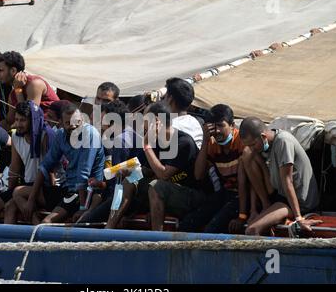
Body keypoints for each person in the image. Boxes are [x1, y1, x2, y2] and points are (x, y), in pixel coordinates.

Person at [105, 102, 203, 230]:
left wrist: (147, 146)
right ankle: (109, 228)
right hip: (163, 191)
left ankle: (157, 237)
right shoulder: (156, 140)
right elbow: (148, 171)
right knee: (130, 180)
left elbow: (163, 175)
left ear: (156, 121)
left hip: (189, 196)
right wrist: (130, 171)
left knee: (156, 186)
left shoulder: (184, 142)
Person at [6, 103, 105, 224]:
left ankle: (37, 233)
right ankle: (34, 226)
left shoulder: (90, 134)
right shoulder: (60, 135)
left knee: (46, 223)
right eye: (68, 123)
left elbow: (83, 173)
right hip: (68, 189)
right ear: (61, 123)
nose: (73, 126)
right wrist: (31, 200)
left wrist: (83, 208)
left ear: (82, 120)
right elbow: (44, 166)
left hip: (88, 191)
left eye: (77, 122)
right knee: (17, 192)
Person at [239, 117, 322, 235]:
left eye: (253, 144)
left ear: (263, 137)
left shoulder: (283, 141)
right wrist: (253, 210)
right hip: (280, 196)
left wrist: (299, 218)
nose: (253, 148)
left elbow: (288, 181)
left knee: (252, 230)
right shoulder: (263, 145)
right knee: (247, 154)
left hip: (299, 203)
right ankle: (266, 204)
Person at [0, 101, 56, 223]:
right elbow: (15, 167)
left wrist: (31, 198)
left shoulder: (46, 135)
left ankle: (37, 233)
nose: (17, 124)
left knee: (11, 206)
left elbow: (49, 171)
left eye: (22, 120)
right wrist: (9, 192)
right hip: (28, 185)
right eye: (16, 119)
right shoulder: (16, 137)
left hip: (47, 186)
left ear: (32, 121)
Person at [179, 104, 247, 233]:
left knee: (212, 229)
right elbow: (198, 174)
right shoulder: (211, 144)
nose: (217, 131)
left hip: (244, 196)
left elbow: (247, 184)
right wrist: (205, 140)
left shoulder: (242, 142)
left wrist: (242, 216)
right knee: (188, 223)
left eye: (221, 126)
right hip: (226, 194)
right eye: (213, 127)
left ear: (232, 125)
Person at [0, 51, 59, 130]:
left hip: (53, 133)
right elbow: (9, 122)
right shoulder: (12, 94)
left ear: (13, 71)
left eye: (0, 70)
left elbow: (29, 117)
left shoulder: (35, 84)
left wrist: (18, 89)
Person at [163, 77, 203, 149]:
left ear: (170, 99)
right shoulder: (195, 122)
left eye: (165, 96)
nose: (163, 100)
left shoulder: (170, 127)